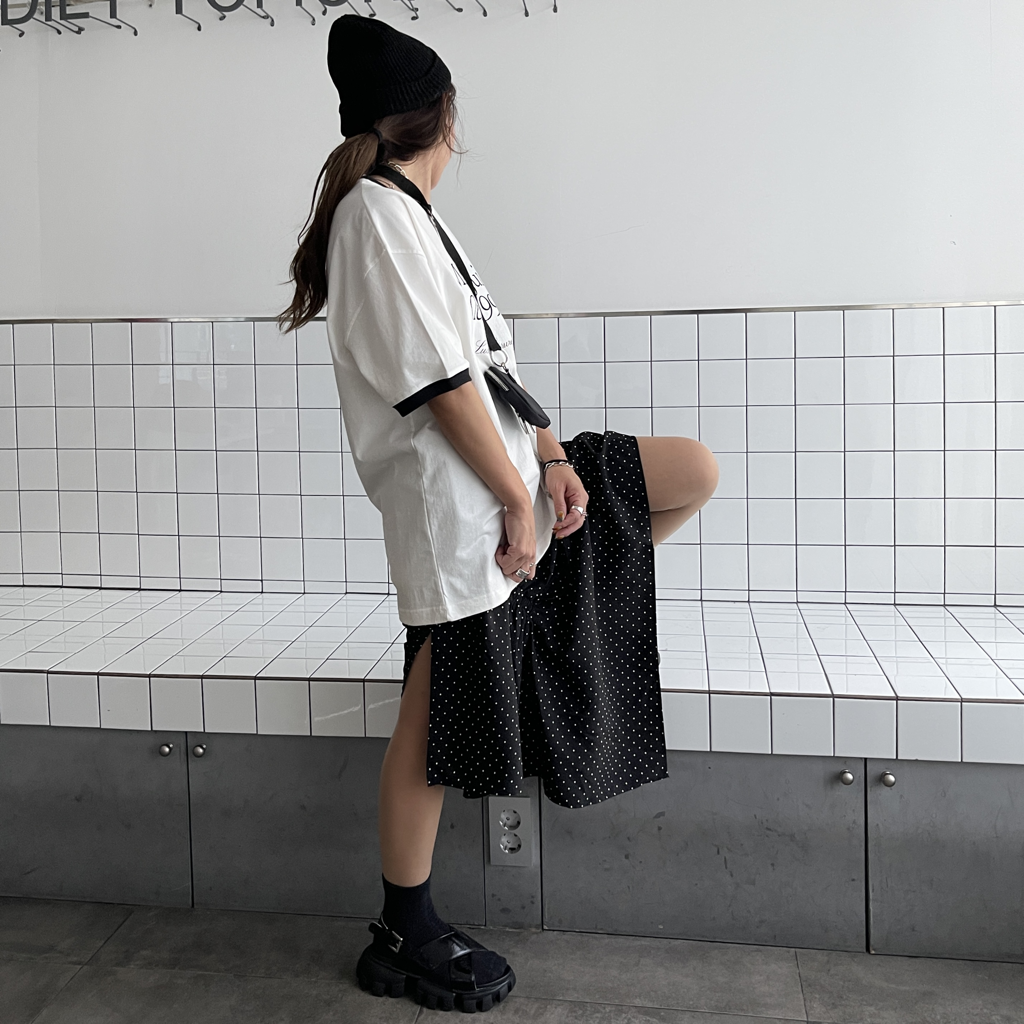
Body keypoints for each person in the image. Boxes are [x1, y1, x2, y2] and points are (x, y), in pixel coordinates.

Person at [279, 14, 719, 1014]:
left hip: (507, 486)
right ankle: (402, 929)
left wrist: (553, 459)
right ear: (445, 118)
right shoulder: (374, 217)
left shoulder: (412, 215)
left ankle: (545, 624)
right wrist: (518, 501)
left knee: (688, 470)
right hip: (461, 509)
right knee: (428, 721)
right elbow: (437, 387)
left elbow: (489, 369)